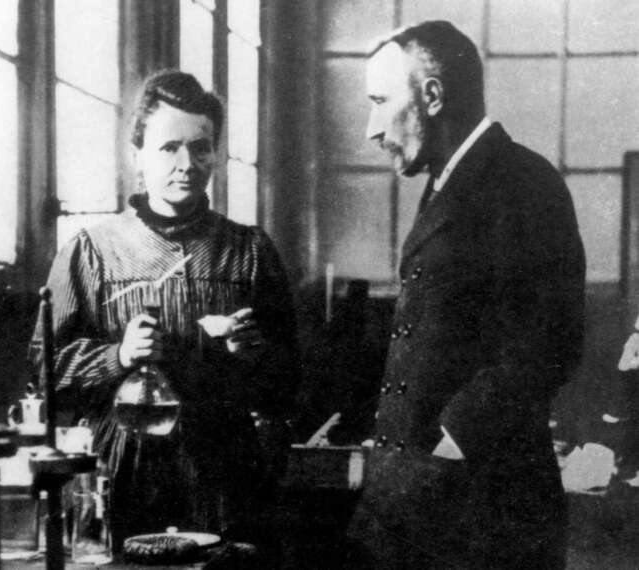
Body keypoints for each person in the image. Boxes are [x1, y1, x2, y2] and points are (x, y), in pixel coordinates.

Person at [346, 21, 586, 568]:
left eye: (381, 102)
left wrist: (448, 442)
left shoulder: (524, 182)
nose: (370, 128)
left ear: (432, 96)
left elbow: (549, 343)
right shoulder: (448, 181)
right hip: (424, 504)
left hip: (482, 511)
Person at [29, 70, 298, 555]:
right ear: (137, 156)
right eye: (168, 147)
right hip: (121, 477)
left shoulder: (250, 251)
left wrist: (253, 353)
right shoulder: (91, 252)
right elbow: (44, 371)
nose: (187, 164)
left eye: (201, 147)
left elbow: (289, 382)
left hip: (225, 480)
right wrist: (118, 356)